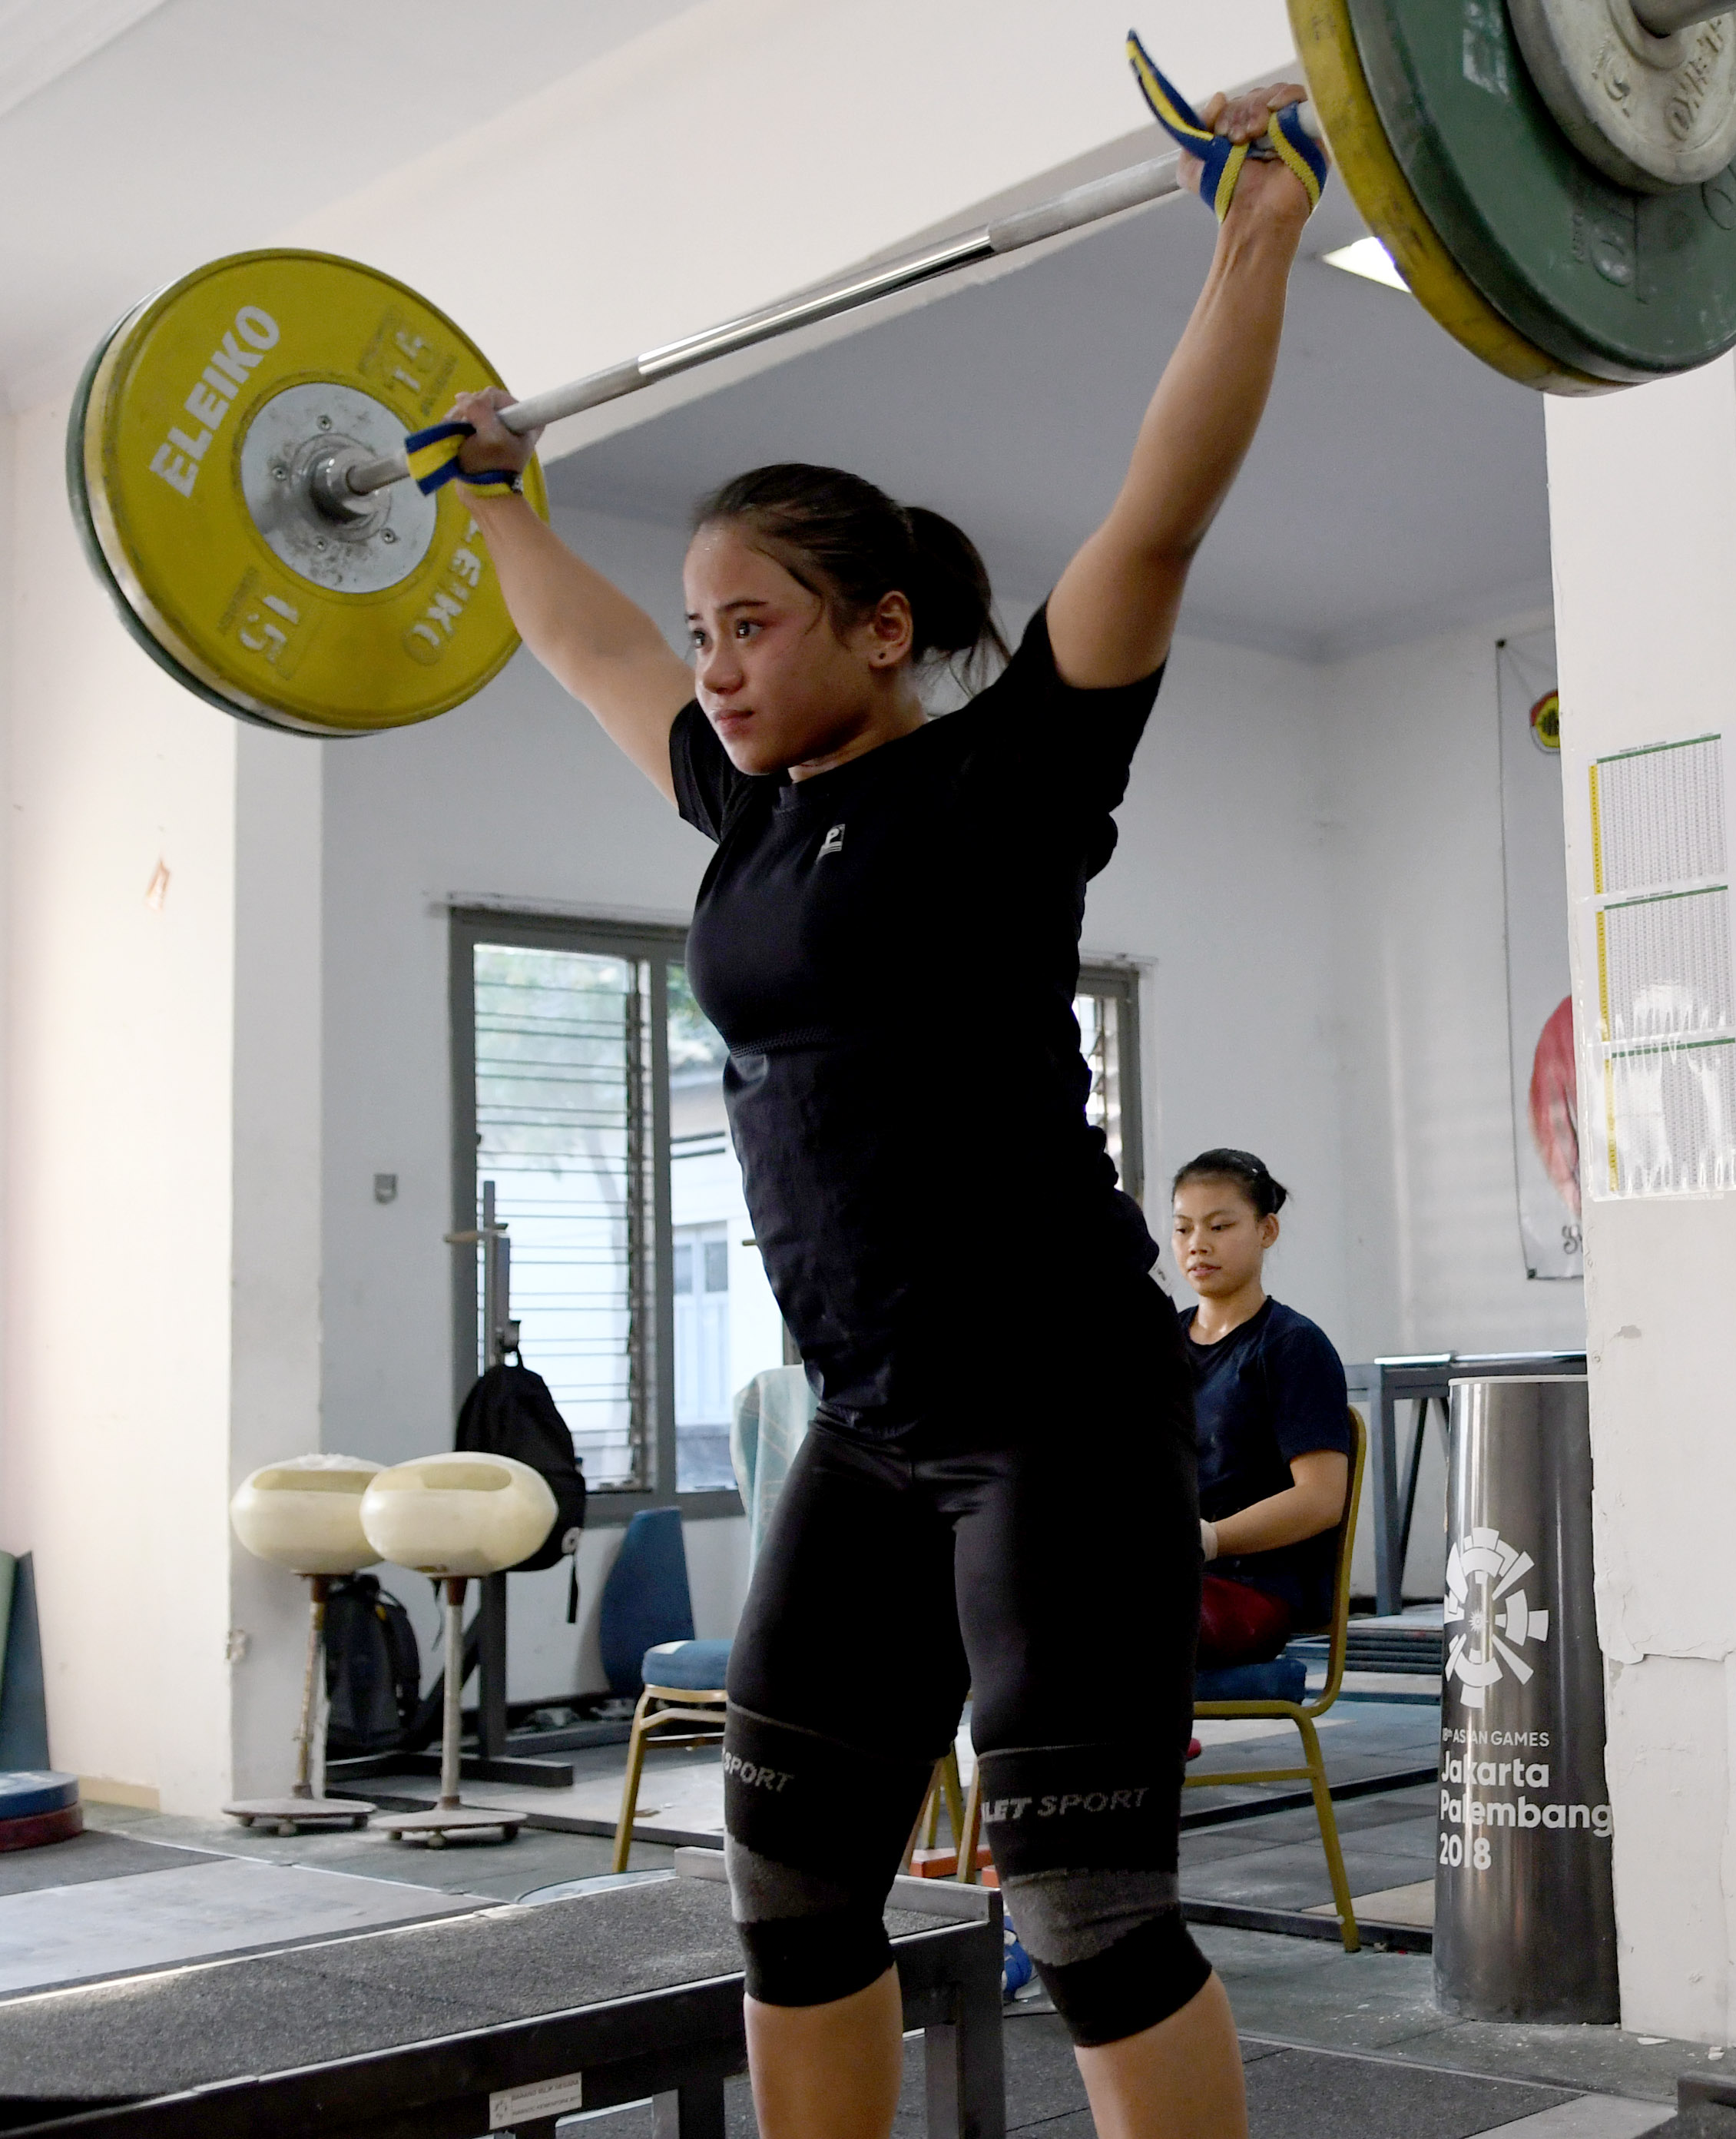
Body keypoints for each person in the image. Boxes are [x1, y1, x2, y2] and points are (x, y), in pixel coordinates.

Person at [431, 78, 1320, 2139]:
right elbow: (577, 648)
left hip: (1062, 1417)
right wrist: (494, 497)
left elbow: (1158, 516)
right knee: (792, 1891)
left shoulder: (1007, 785)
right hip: (875, 1418)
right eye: (707, 632)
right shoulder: (749, 807)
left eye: (754, 626)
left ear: (882, 627)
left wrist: (1254, 230)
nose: (715, 666)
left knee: (1088, 1910)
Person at [1172, 1149, 1351, 1665]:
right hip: (1168, 1574)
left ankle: (1145, 1746)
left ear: (1266, 1231)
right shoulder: (1159, 1345)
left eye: (1220, 1226)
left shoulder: (1292, 1346)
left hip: (1255, 1588)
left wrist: (1211, 1539)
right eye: (1183, 1229)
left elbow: (1320, 1499)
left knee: (1126, 1616)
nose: (1198, 1245)